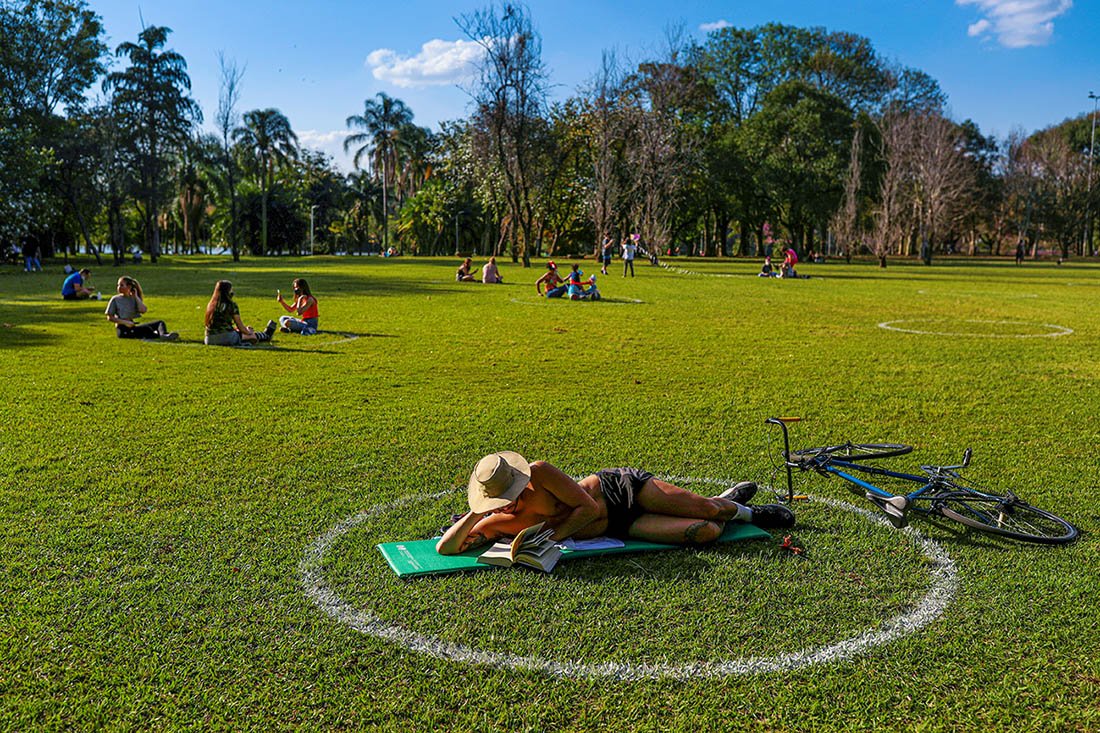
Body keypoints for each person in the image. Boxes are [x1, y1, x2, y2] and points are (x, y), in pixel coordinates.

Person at [437, 452, 794, 555]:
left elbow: (588, 508)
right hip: (618, 527)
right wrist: (474, 514)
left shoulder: (540, 474)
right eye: (499, 502)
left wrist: (554, 537)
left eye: (510, 496)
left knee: (710, 511)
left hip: (620, 491)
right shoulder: (495, 519)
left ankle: (744, 510)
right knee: (706, 532)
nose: (507, 506)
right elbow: (445, 549)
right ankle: (724, 506)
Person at [203, 280, 277, 346]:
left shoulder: (211, 305)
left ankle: (262, 335)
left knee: (239, 333)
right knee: (249, 335)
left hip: (209, 339)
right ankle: (266, 335)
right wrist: (248, 331)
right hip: (226, 338)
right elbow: (240, 327)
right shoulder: (231, 305)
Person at [104, 276, 179, 341]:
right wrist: (125, 322)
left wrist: (136, 296)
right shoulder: (115, 299)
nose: (118, 287)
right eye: (118, 285)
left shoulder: (133, 298)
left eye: (121, 285)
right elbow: (110, 317)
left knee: (159, 323)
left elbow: (143, 310)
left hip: (132, 326)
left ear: (129, 287)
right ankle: (159, 335)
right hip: (123, 329)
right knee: (147, 330)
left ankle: (163, 335)